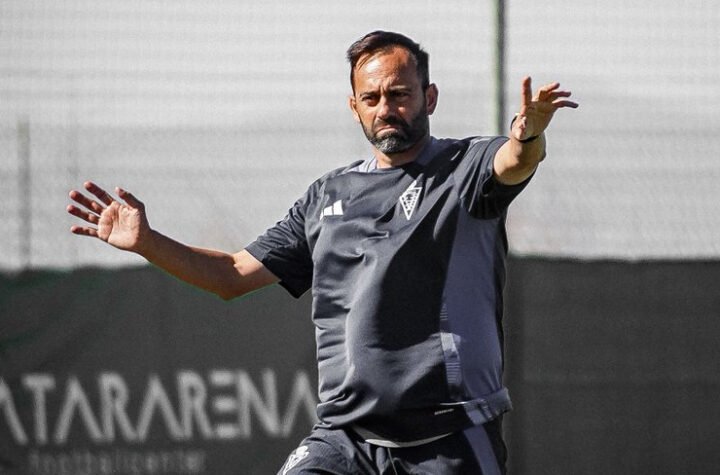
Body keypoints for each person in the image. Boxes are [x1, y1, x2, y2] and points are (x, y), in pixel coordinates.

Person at [68, 31, 577, 475]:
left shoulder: (465, 166)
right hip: (345, 439)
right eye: (371, 97)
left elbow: (513, 162)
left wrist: (528, 134)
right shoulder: (327, 196)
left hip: (449, 435)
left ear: (430, 96)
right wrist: (147, 242)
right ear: (353, 106)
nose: (386, 108)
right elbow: (231, 274)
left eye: (400, 94)